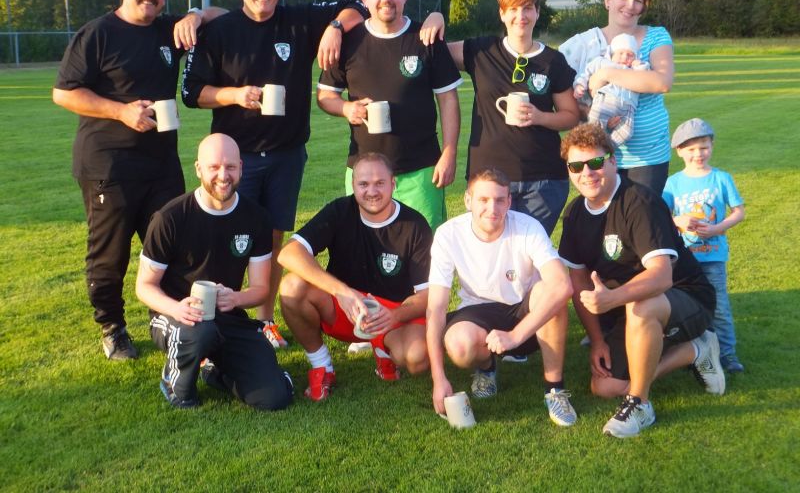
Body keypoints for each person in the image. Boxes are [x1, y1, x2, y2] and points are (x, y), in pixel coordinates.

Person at [181, 0, 368, 349]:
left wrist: (334, 28)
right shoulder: (220, 29)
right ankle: (217, 320)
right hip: (237, 159)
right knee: (226, 236)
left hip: (286, 154)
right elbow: (190, 92)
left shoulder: (298, 20)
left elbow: (358, 6)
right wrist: (234, 95)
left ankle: (264, 320)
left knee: (272, 239)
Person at [52, 0, 222, 361]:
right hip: (108, 165)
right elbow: (63, 92)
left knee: (174, 244)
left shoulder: (168, 30)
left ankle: (169, 318)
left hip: (161, 163)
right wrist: (121, 112)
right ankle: (112, 327)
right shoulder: (98, 33)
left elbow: (222, 15)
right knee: (110, 254)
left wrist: (195, 15)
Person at [558, 123, 725, 438]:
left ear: (612, 161)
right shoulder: (575, 213)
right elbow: (578, 280)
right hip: (630, 305)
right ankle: (696, 350)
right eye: (576, 166)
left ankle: (639, 403)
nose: (586, 173)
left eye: (595, 162)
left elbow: (661, 276)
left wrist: (611, 299)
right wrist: (597, 340)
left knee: (641, 304)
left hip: (686, 297)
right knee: (605, 386)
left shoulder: (639, 201)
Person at [135, 134, 292, 410]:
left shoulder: (256, 218)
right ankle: (174, 380)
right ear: (198, 169)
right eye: (214, 167)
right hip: (176, 318)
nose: (223, 175)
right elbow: (144, 286)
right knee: (200, 333)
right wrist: (176, 309)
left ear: (241, 167)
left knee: (275, 398)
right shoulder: (170, 217)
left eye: (230, 167)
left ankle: (213, 371)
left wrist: (235, 298)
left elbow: (261, 290)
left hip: (227, 318)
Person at [425, 0, 579, 237]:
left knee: (528, 255)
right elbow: (432, 52)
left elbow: (571, 116)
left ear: (537, 12)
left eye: (527, 8)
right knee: (489, 249)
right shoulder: (481, 50)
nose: (521, 16)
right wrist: (436, 17)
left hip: (543, 181)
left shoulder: (553, 61)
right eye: (513, 9)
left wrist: (539, 117)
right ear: (502, 13)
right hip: (488, 177)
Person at [426, 168, 578, 427]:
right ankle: (486, 368)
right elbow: (436, 308)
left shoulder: (528, 227)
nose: (492, 208)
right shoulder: (448, 234)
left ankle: (554, 389)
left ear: (509, 201)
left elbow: (563, 285)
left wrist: (515, 336)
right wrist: (438, 379)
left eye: (499, 200)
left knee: (550, 292)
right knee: (459, 345)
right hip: (477, 310)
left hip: (524, 310)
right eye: (483, 200)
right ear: (468, 200)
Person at [317, 0, 462, 232]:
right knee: (363, 244)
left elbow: (448, 99)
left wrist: (449, 152)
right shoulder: (347, 42)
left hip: (421, 171)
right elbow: (325, 95)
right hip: (364, 171)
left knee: (425, 246)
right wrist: (346, 108)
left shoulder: (426, 38)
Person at [278, 152, 432, 401]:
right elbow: (288, 253)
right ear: (353, 185)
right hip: (346, 309)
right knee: (292, 287)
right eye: (363, 184)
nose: (372, 191)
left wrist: (393, 316)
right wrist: (343, 292)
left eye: (380, 183)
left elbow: (427, 295)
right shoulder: (340, 210)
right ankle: (322, 366)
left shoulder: (415, 224)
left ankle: (384, 351)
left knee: (417, 359)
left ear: (393, 183)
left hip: (393, 315)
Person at [560, 0, 674, 194]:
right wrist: (589, 111)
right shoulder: (583, 43)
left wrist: (606, 74)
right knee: (603, 215)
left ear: (643, 7)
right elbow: (559, 90)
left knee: (642, 214)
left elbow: (661, 82)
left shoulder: (656, 36)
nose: (630, 5)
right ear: (608, 0)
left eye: (638, 0)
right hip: (595, 158)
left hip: (648, 158)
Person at [663, 118, 746, 373]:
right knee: (687, 307)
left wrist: (718, 228)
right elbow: (661, 216)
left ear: (712, 146)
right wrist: (678, 220)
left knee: (719, 307)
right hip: (685, 261)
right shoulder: (674, 183)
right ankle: (694, 352)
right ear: (679, 151)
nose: (698, 154)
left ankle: (728, 354)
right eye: (691, 149)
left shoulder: (721, 178)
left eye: (704, 147)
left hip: (713, 257)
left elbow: (739, 212)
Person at [574, 33, 650, 148]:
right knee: (595, 123)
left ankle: (607, 147)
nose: (625, 57)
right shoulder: (603, 62)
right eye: (620, 53)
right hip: (606, 100)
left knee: (627, 133)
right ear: (612, 54)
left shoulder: (635, 71)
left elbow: (646, 80)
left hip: (628, 107)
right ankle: (589, 147)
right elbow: (586, 72)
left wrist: (640, 65)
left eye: (630, 55)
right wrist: (579, 84)